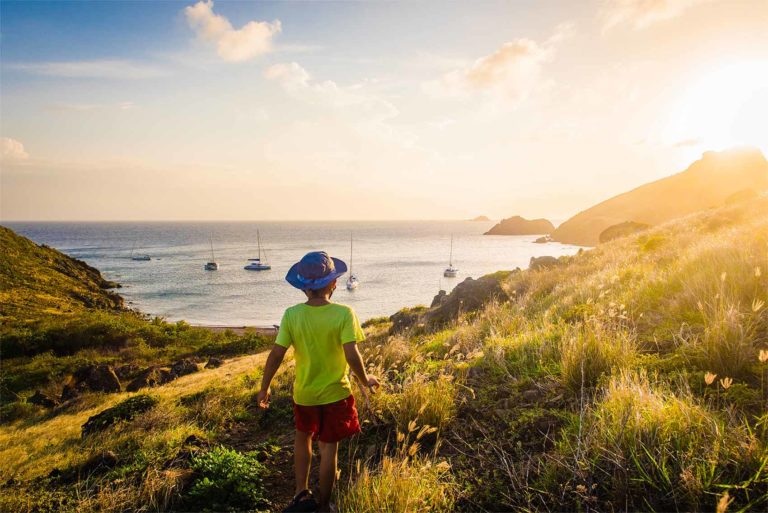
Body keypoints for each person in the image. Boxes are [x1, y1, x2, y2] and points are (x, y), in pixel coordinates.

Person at [257, 251, 380, 513]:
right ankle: (323, 506)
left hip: (305, 394)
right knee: (329, 449)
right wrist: (365, 379)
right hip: (336, 393)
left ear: (303, 287)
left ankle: (300, 493)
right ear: (333, 283)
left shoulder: (291, 315)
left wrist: (264, 387)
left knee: (303, 439)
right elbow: (352, 354)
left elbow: (276, 354)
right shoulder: (344, 313)